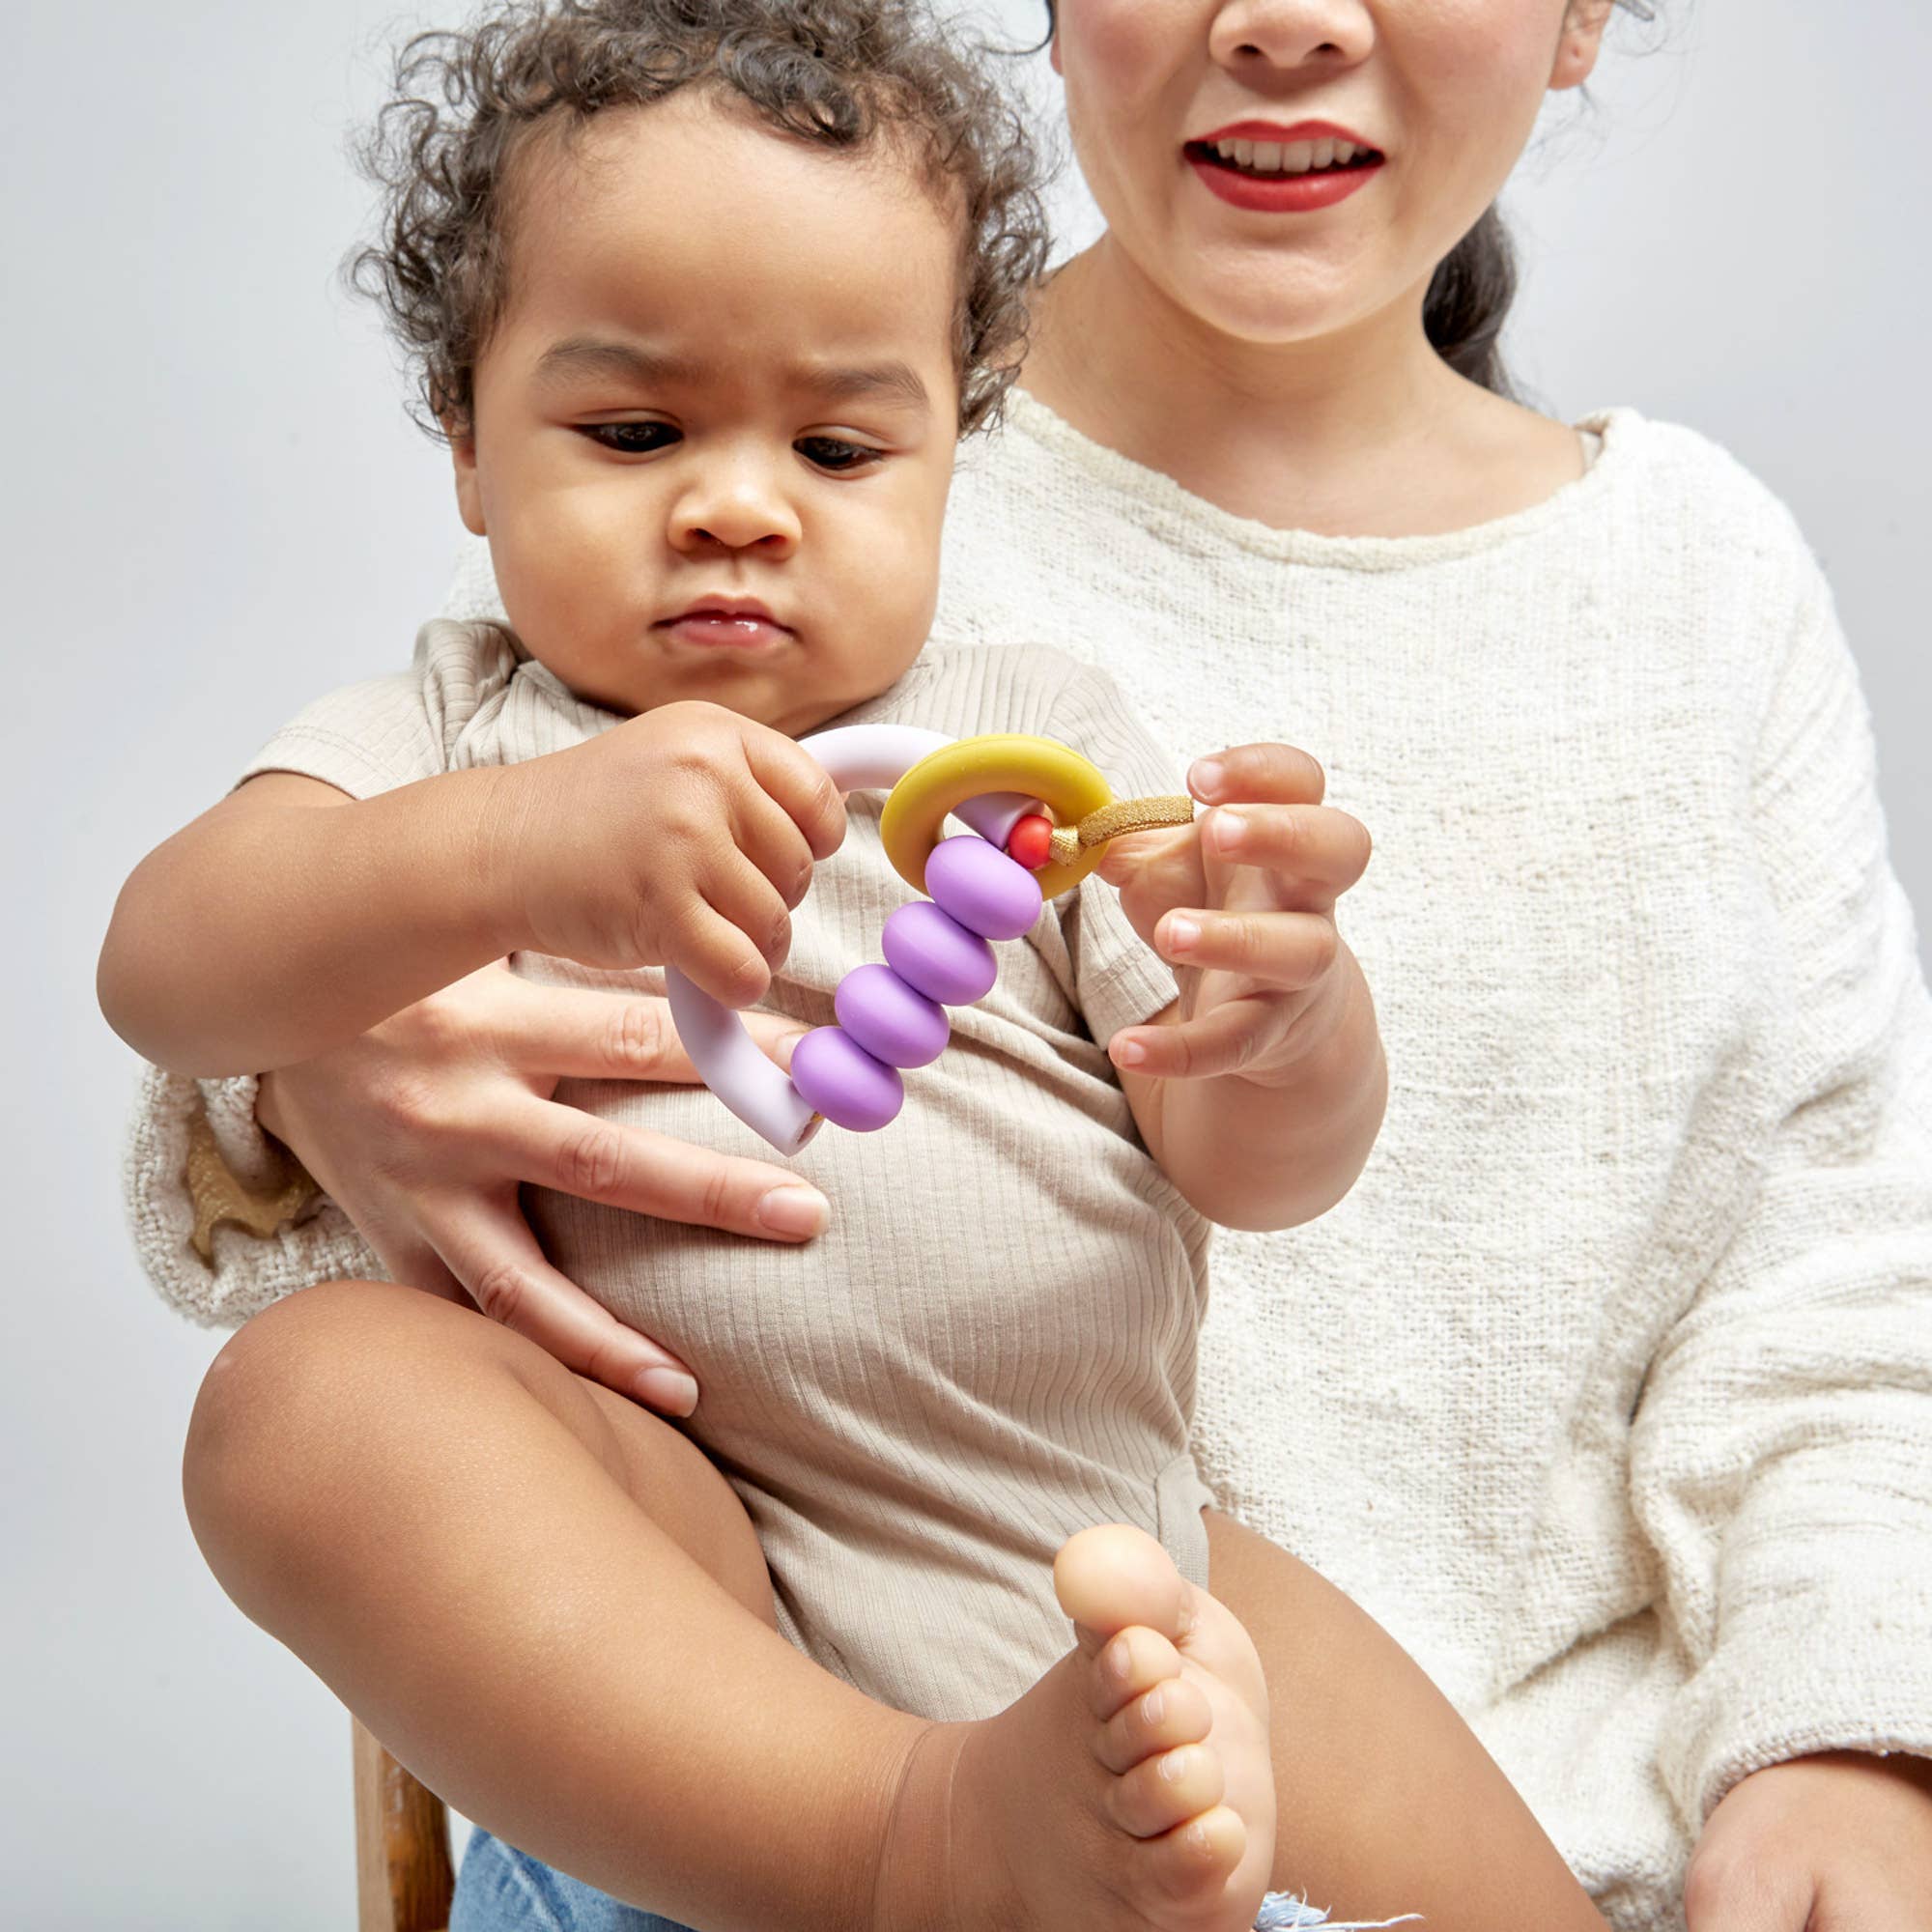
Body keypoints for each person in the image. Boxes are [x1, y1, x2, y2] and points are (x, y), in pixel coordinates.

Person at [121, 1, 1932, 1926]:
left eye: (835, 442)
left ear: (939, 430)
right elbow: (176, 970)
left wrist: (1286, 1017)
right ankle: (905, 1834)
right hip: (695, 1557)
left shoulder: (1027, 717)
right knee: (307, 1401)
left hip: (1114, 1534)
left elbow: (1292, 1169)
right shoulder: (478, 717)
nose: (741, 500)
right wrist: (468, 881)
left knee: (1307, 1741)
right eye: (637, 430)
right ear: (464, 441)